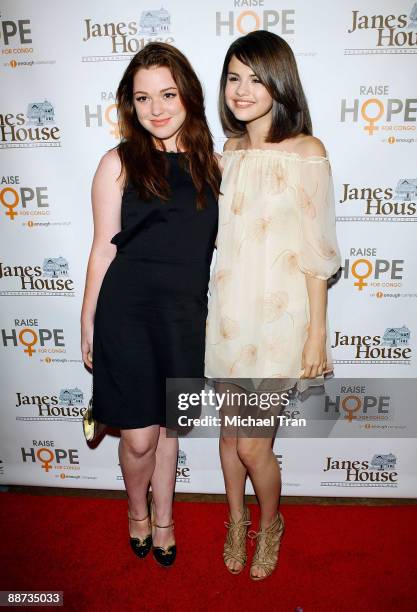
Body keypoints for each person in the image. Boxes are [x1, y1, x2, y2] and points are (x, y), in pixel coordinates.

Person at [205, 30, 341, 580]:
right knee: (230, 435)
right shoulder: (228, 153)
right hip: (228, 315)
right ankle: (236, 521)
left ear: (280, 82)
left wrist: (316, 336)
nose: (242, 90)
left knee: (254, 446)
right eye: (234, 77)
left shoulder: (309, 152)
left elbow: (317, 252)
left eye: (257, 78)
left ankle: (271, 521)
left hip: (283, 321)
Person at [81, 42, 220, 567]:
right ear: (129, 104)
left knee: (168, 430)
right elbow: (101, 248)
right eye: (142, 98)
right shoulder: (117, 163)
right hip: (127, 316)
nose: (156, 108)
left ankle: (164, 518)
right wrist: (87, 318)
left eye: (167, 93)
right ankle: (136, 511)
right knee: (139, 437)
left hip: (185, 319)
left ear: (188, 94)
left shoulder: (217, 166)